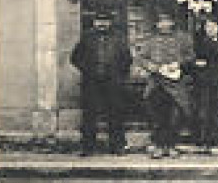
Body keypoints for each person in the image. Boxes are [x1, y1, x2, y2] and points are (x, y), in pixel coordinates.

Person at [68, 10, 132, 155]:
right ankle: (88, 147)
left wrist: (118, 73)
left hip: (113, 82)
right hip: (92, 82)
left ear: (110, 22)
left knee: (115, 113)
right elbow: (75, 58)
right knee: (89, 114)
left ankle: (117, 146)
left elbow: (127, 59)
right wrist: (87, 69)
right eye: (99, 21)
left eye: (105, 21)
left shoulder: (118, 38)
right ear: (94, 22)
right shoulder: (87, 37)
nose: (102, 24)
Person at [137, 10, 195, 158]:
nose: (164, 25)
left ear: (172, 23)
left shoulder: (183, 38)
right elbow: (141, 58)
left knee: (175, 115)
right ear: (157, 24)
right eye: (161, 22)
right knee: (158, 116)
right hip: (157, 83)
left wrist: (179, 64)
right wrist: (152, 67)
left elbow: (191, 56)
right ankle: (158, 145)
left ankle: (171, 145)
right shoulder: (150, 41)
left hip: (176, 83)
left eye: (167, 22)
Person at [189, 16, 218, 154]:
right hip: (204, 81)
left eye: (213, 27)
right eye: (207, 27)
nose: (210, 29)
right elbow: (192, 60)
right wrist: (197, 64)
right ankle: (204, 139)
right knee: (204, 110)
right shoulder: (200, 43)